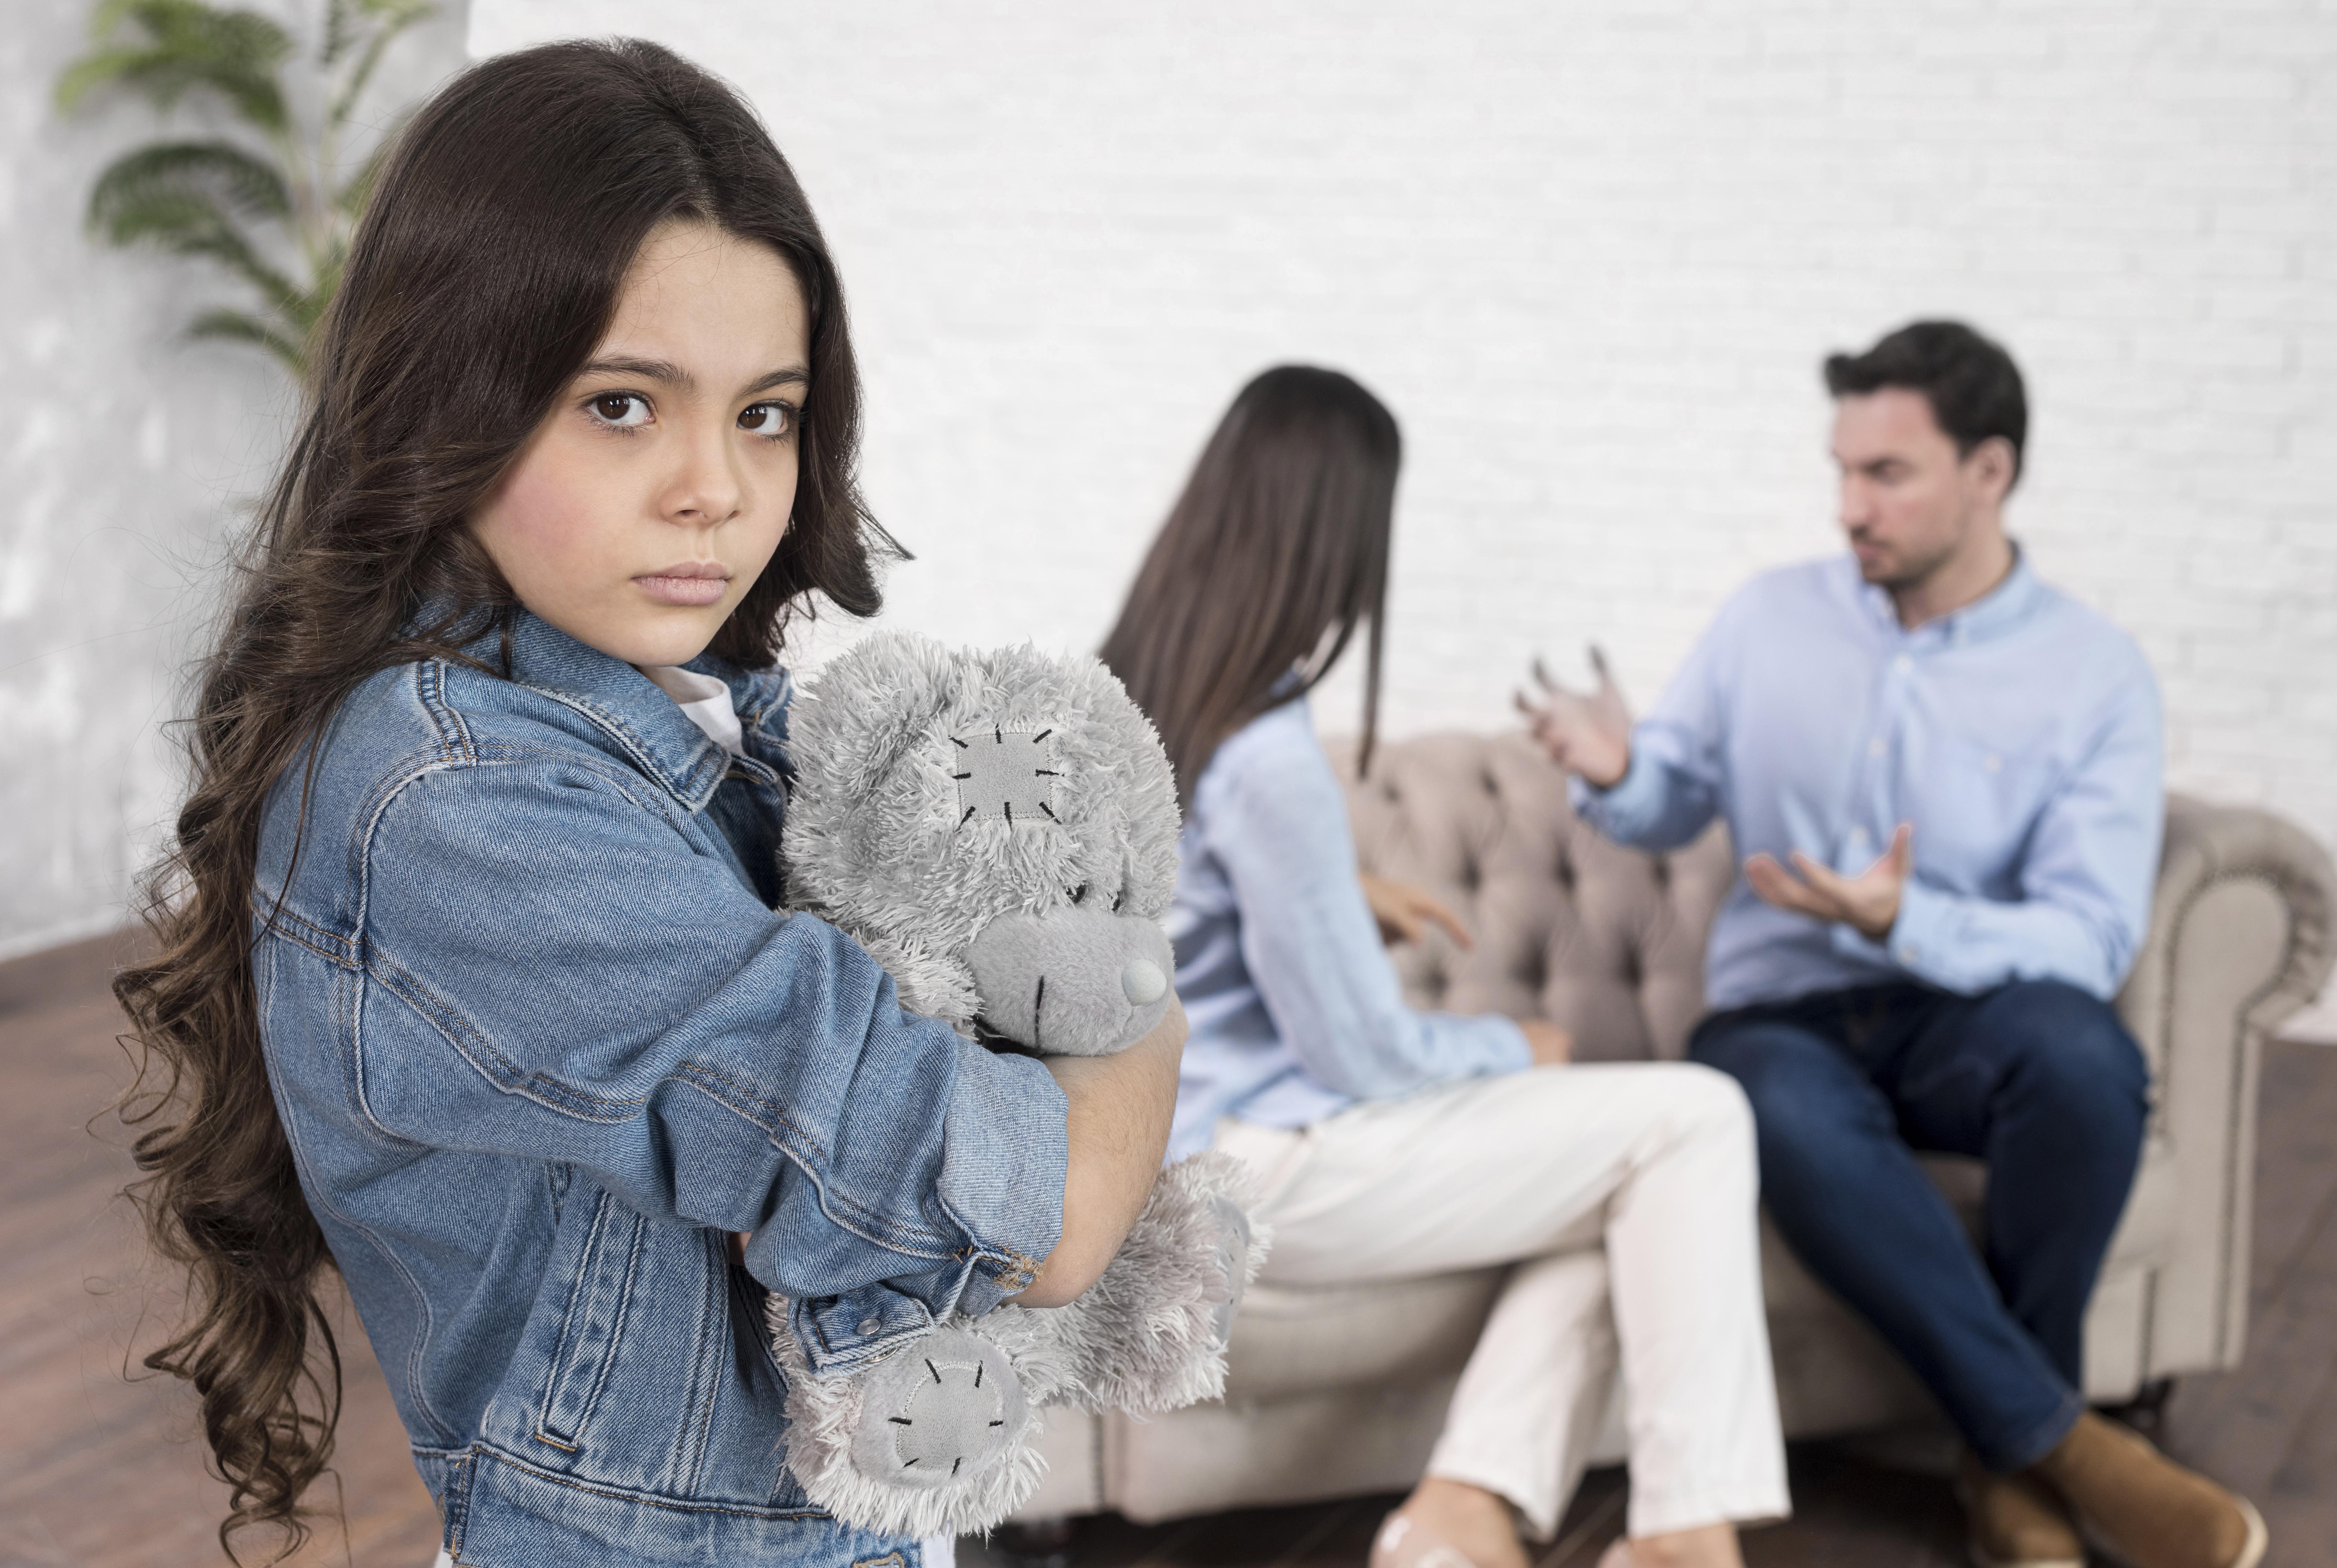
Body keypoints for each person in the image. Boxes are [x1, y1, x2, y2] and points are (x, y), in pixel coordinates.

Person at [109, 41, 1185, 1568]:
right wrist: (1141, 1022)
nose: (716, 489)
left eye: (765, 413)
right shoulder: (467, 802)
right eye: (623, 406)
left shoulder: (678, 724)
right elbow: (1037, 1214)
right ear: (450, 398)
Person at [1522, 321, 2266, 1568]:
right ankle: (2051, 1449)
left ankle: (2005, 1449)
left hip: (1956, 1011)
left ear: (1990, 472)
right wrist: (1617, 775)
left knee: (2083, 1063)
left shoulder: (2092, 675)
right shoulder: (1768, 619)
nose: (1849, 508)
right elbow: (1673, 798)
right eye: (1842, 471)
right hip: (1783, 1021)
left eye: (1886, 475)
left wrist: (1902, 917)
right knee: (1764, 1097)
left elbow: (2084, 938)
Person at [1100, 366, 1789, 1568]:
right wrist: (1515, 1047)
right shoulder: (1264, 749)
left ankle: (1456, 1523)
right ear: (1341, 536)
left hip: (1170, 1145)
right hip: (1253, 1170)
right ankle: (1685, 1536)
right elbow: (1361, 1055)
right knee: (1695, 1121)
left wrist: (1332, 897)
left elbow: (1172, 920)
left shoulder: (1132, 690)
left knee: (1621, 1198)